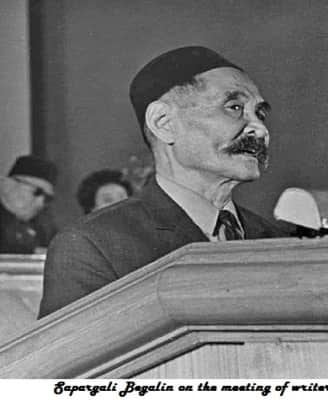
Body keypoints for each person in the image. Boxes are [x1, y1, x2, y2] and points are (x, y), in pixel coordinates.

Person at [39, 46, 286, 317]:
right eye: (234, 108)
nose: (260, 129)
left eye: (260, 114)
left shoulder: (278, 241)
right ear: (163, 123)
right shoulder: (93, 246)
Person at [0, 155, 58, 254]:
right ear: (8, 184)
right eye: (37, 192)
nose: (41, 203)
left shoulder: (43, 227)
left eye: (47, 198)